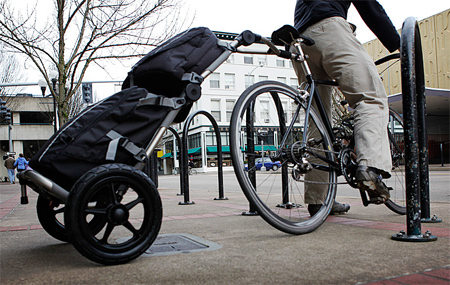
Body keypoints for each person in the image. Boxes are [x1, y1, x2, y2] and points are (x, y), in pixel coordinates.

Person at [293, 0, 400, 216]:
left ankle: (319, 201)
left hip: (298, 40)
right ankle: (369, 168)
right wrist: (399, 43)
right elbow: (370, 7)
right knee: (370, 97)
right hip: (329, 29)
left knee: (318, 123)